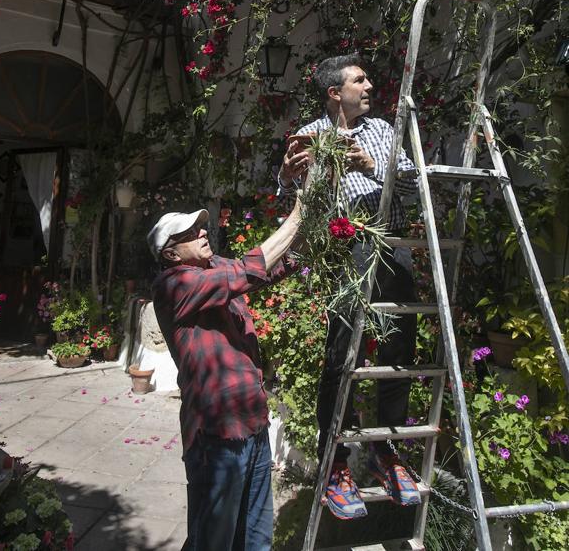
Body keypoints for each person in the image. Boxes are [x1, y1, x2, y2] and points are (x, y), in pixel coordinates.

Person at [278, 54, 420, 519]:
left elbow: (413, 186)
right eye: (358, 79)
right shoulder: (313, 134)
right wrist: (289, 174)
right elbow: (291, 191)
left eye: (367, 77)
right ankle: (335, 464)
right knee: (343, 358)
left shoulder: (382, 131)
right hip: (343, 251)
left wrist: (372, 166)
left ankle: (385, 450)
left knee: (399, 348)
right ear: (335, 93)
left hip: (390, 246)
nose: (369, 83)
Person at [149, 200, 301, 551]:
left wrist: (311, 241)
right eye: (189, 232)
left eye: (201, 227)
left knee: (257, 539)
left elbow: (267, 269)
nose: (203, 231)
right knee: (214, 541)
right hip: (217, 438)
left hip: (253, 425)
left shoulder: (214, 266)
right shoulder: (173, 285)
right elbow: (250, 268)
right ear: (170, 254)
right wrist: (300, 211)